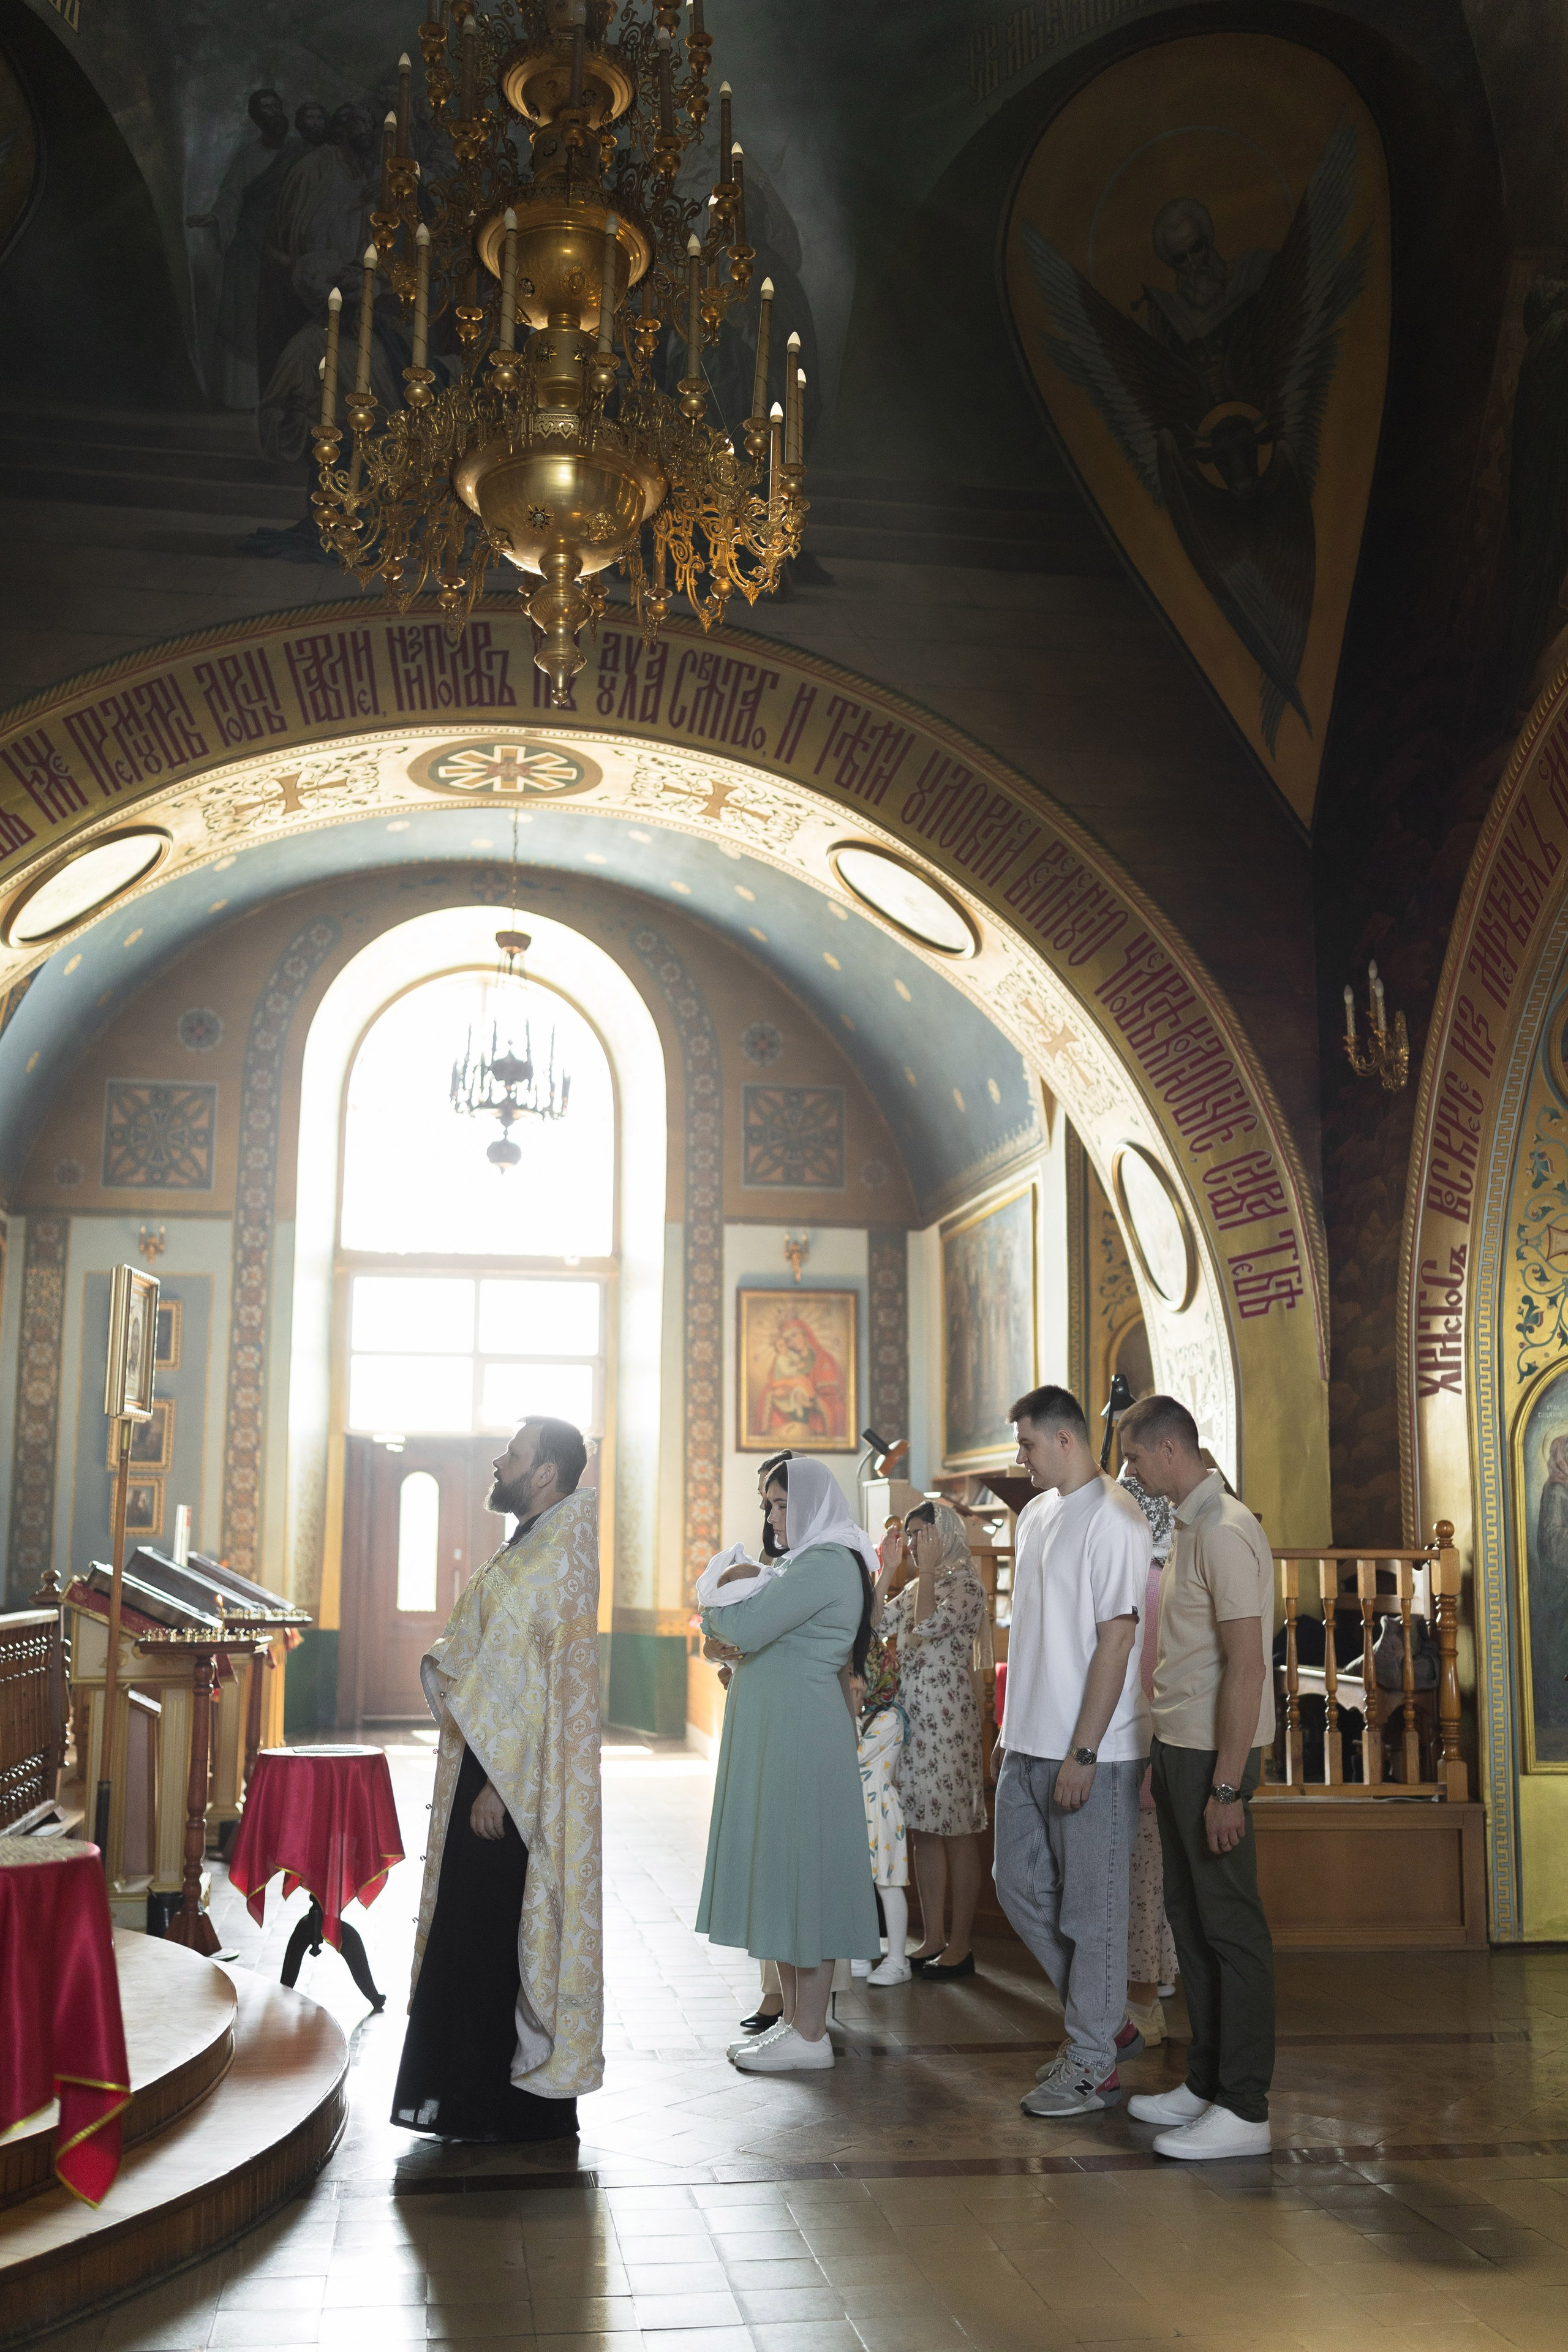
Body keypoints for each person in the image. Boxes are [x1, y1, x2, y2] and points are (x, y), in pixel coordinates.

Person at [391, 1417, 602, 2142]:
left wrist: (498, 1786)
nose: (497, 1462)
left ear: (544, 1473)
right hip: (489, 1764)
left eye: (511, 1456)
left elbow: (541, 1689)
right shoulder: (533, 1545)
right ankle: (469, 2098)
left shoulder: (555, 1559)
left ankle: (488, 2104)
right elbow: (497, 1659)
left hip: (510, 1783)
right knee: (473, 1928)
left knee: (487, 1934)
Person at [1117, 1393, 1275, 2160]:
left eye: (1137, 1458)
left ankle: (1245, 2108)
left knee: (1230, 1928)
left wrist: (1224, 1787)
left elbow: (1246, 1666)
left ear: (1170, 1451)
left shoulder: (1225, 1530)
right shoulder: (1186, 1524)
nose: (1132, 1470)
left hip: (1218, 1759)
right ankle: (1207, 2083)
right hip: (1181, 1748)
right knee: (1190, 1921)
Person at [994, 1385, 1152, 2119]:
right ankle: (1106, 2018)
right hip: (1024, 1741)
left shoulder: (1116, 1519)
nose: (1018, 1459)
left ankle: (1094, 2063)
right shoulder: (1034, 1515)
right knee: (1017, 1887)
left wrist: (1083, 1750)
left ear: (1063, 1439)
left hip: (1092, 1750)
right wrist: (1010, 1732)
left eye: (1025, 1444)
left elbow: (1117, 1640)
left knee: (1092, 1913)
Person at [696, 1456, 881, 2071]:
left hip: (802, 1737)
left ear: (811, 1505)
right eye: (769, 1506)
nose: (772, 1518)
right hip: (785, 1734)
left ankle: (808, 2034)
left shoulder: (826, 1564)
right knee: (785, 1874)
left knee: (803, 1877)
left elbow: (741, 1623)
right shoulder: (803, 1562)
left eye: (780, 1505)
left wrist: (717, 1608)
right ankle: (800, 2028)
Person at [873, 1499, 989, 1977]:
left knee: (957, 1832)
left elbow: (922, 1629)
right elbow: (876, 1624)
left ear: (945, 1535)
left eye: (924, 1535)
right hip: (913, 1722)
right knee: (922, 1831)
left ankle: (960, 1945)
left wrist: (921, 1574)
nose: (918, 1543)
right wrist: (887, 1570)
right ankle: (932, 1936)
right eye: (913, 1536)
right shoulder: (923, 1583)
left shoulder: (965, 1587)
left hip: (950, 1725)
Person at [186, 89, 302, 410]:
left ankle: (288, 392)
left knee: (282, 315)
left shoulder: (299, 152)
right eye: (264, 108)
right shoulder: (249, 156)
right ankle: (243, 396)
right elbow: (231, 195)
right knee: (244, 317)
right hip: (250, 245)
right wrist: (216, 218)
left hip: (287, 242)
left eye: (275, 106)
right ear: (256, 118)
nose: (272, 112)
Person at [1119, 1458, 1179, 2043]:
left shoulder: (1146, 1583)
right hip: (1149, 1748)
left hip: (1136, 1749)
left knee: (1140, 1887)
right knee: (1149, 1884)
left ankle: (1144, 2006)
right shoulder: (1160, 1574)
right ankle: (1151, 1992)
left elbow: (1141, 1672)